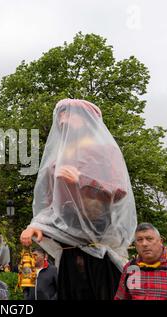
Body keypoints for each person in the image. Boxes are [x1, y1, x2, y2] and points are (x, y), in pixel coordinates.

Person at [20, 99, 137, 300]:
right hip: (68, 254)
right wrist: (37, 225)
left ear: (85, 118)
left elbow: (119, 191)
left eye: (68, 113)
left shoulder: (103, 150)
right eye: (60, 113)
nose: (62, 118)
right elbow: (51, 205)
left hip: (97, 254)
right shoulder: (58, 159)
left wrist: (81, 181)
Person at [114, 223, 167, 300]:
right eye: (139, 240)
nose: (144, 244)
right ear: (135, 244)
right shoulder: (131, 268)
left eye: (149, 239)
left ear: (160, 241)